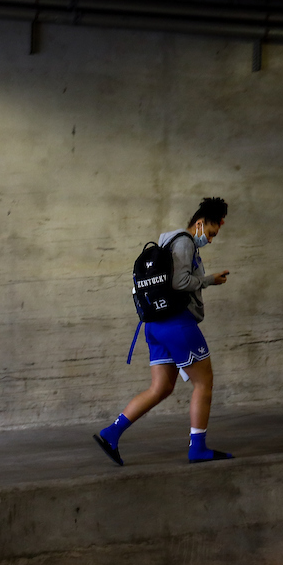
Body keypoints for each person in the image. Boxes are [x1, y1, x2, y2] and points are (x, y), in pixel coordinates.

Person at [93, 197, 233, 466]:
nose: (211, 240)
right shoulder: (184, 242)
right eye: (212, 233)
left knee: (161, 387)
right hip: (176, 323)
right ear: (200, 223)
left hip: (154, 325)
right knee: (203, 383)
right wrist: (209, 280)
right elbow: (179, 282)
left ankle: (111, 433)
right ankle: (198, 448)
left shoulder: (167, 242)